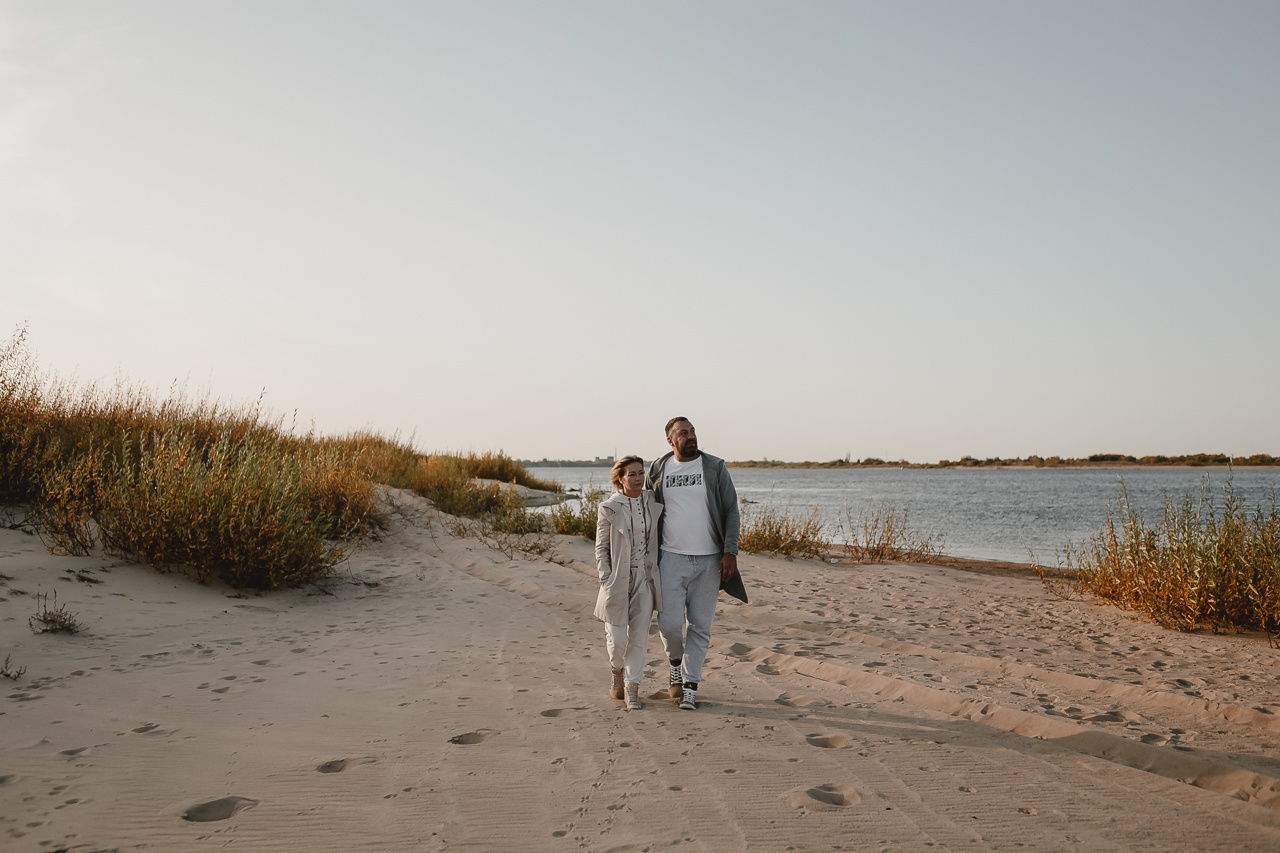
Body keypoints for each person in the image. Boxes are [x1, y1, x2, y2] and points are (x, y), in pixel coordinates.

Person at [646, 417, 739, 711]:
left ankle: (690, 685)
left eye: (693, 431)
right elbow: (646, 508)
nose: (691, 436)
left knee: (700, 626)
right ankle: (675, 661)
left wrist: (730, 552)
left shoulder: (714, 467)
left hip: (709, 560)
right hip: (670, 557)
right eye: (683, 433)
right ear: (671, 440)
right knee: (669, 623)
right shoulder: (659, 468)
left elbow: (731, 510)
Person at [594, 455, 663, 711]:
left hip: (645, 579)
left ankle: (632, 689)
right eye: (631, 474)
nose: (638, 479)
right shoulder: (609, 507)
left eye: (641, 473)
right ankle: (616, 670)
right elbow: (601, 548)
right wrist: (606, 579)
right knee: (618, 639)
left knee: (639, 639)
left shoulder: (652, 501)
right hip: (617, 580)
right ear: (620, 479)